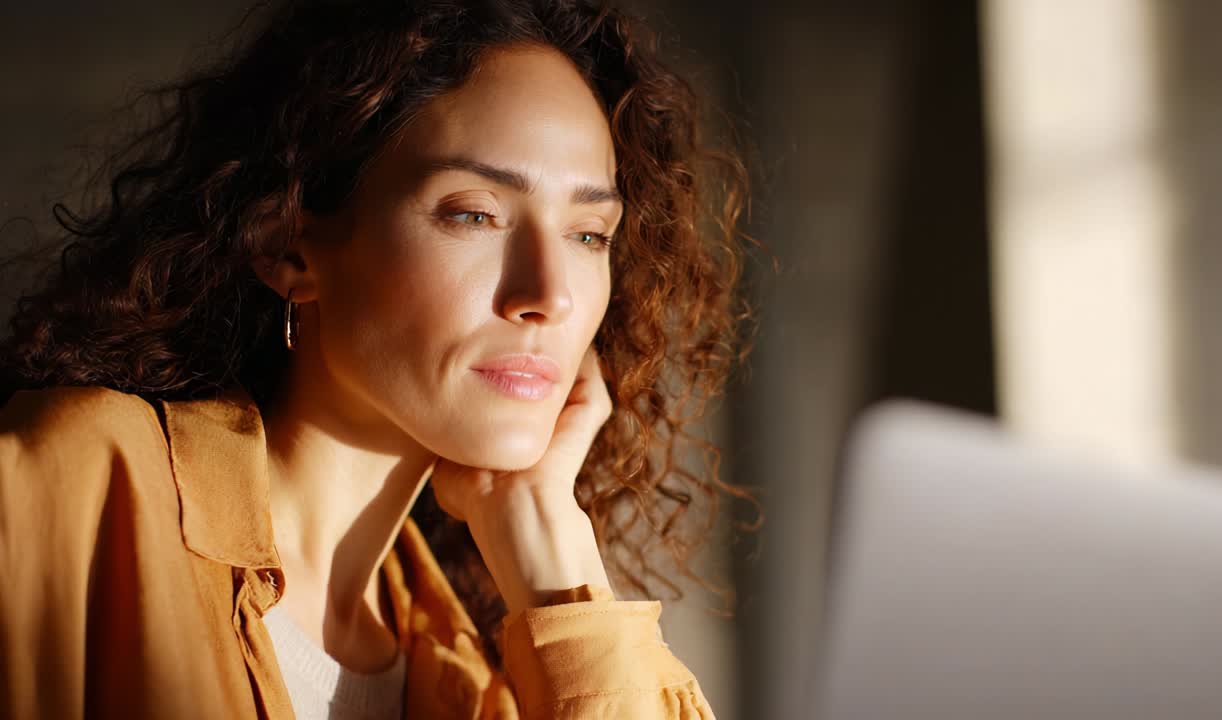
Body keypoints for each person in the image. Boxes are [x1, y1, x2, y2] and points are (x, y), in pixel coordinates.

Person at [0, 0, 757, 718]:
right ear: (287, 245)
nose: (549, 296)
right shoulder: (90, 476)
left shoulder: (471, 682)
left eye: (590, 234)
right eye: (475, 214)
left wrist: (550, 546)